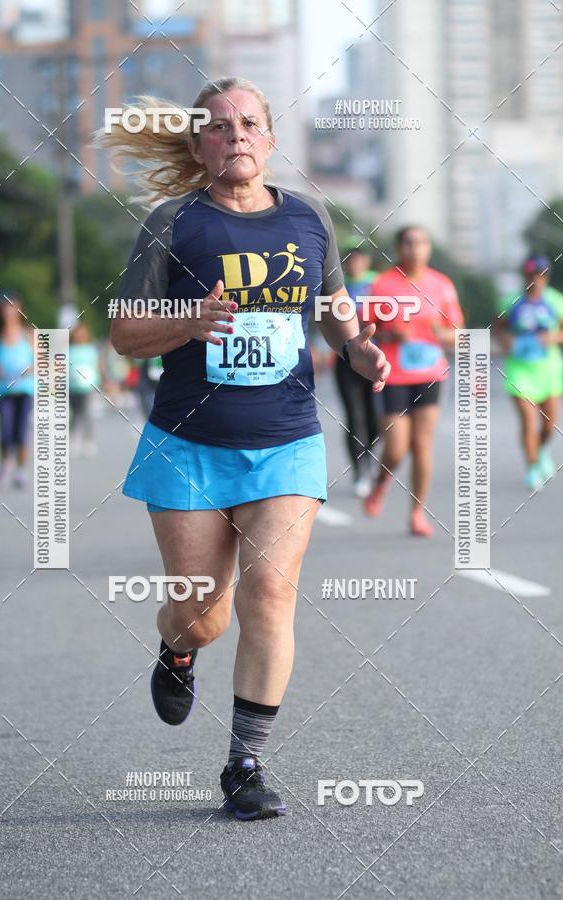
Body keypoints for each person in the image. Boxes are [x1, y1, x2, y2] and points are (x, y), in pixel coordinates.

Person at [98, 76, 390, 820]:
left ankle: (244, 763)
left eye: (250, 124)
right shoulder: (173, 221)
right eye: (220, 128)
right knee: (202, 611)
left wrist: (359, 351)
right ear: (200, 145)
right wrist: (188, 321)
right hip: (188, 441)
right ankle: (178, 648)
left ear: (269, 138)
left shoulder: (308, 216)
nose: (236, 137)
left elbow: (333, 313)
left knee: (270, 595)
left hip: (286, 438)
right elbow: (124, 335)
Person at [363, 225, 464, 536]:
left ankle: (417, 513)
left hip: (430, 374)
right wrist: (390, 334)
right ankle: (381, 483)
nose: (415, 249)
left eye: (421, 242)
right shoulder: (382, 285)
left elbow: (458, 334)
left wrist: (441, 334)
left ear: (429, 247)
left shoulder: (442, 285)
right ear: (399, 248)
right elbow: (365, 328)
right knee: (395, 448)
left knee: (421, 446)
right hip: (393, 375)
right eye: (408, 243)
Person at [495, 255, 563, 490]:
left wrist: (553, 337)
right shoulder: (510, 302)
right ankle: (532, 466)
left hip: (549, 370)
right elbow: (498, 329)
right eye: (532, 274)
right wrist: (506, 342)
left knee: (549, 423)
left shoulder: (556, 301)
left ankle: (542, 449)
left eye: (542, 274)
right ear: (524, 276)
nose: (537, 279)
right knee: (527, 420)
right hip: (519, 370)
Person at [333, 240, 379, 497]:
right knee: (355, 415)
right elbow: (323, 318)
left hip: (375, 359)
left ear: (367, 261)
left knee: (377, 418)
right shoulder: (336, 286)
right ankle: (360, 470)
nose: (354, 263)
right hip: (346, 359)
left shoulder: (378, 284)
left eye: (358, 258)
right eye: (349, 259)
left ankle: (369, 456)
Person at [0, 294, 33, 488]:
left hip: (24, 388)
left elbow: (41, 360)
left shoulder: (28, 334)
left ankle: (21, 471)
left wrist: (30, 368)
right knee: (5, 432)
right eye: (5, 307)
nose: (9, 311)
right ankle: (5, 463)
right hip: (3, 390)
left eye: (12, 307)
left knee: (21, 431)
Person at [69, 323, 101, 458]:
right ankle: (74, 439)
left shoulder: (91, 349)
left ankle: (89, 441)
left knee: (87, 414)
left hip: (87, 386)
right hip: (72, 387)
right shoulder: (69, 350)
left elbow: (98, 366)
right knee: (74, 414)